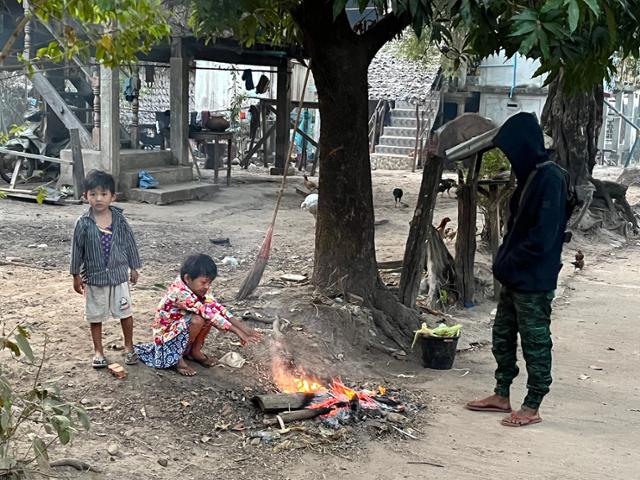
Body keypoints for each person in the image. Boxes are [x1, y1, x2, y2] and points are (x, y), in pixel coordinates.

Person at [465, 112, 570, 427]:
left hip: (534, 279)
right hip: (515, 275)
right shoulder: (532, 174)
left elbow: (542, 236)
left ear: (525, 146)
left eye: (512, 151)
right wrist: (505, 264)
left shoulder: (551, 178)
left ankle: (533, 404)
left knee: (535, 341)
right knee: (503, 335)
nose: (510, 158)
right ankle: (501, 394)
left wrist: (509, 262)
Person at [135, 254, 261, 376]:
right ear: (188, 278)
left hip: (179, 327)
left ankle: (194, 352)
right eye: (204, 282)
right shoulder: (179, 292)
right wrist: (238, 332)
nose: (207, 286)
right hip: (165, 334)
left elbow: (216, 308)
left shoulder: (200, 287)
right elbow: (209, 314)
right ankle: (177, 358)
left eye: (209, 282)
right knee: (198, 319)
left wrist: (244, 329)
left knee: (206, 317)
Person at [70, 170, 141, 368]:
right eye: (93, 194)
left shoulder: (119, 220)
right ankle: (98, 351)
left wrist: (134, 267)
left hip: (119, 276)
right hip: (94, 277)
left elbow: (129, 243)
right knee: (95, 315)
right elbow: (76, 250)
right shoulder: (83, 223)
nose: (98, 198)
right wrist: (75, 275)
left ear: (112, 196)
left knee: (125, 312)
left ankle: (129, 347)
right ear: (85, 197)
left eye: (103, 194)